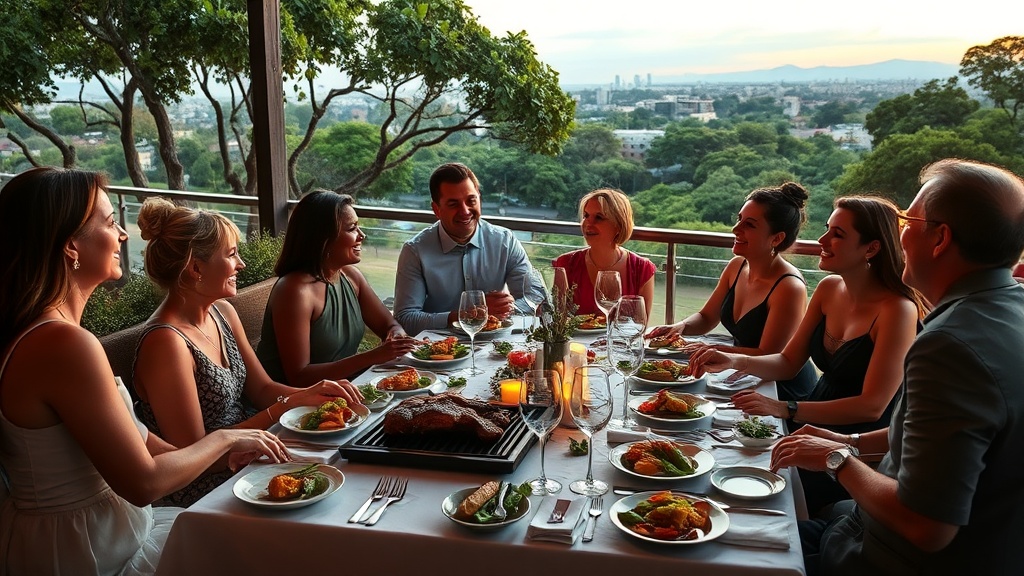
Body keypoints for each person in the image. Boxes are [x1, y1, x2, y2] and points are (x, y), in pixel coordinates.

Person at [0, 167, 290, 574]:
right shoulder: (62, 344)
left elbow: (142, 442)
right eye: (111, 222)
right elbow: (143, 483)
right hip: (87, 551)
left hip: (109, 532)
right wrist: (224, 440)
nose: (122, 235)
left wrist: (230, 453)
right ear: (71, 247)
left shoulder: (53, 336)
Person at [772, 158, 1024, 575]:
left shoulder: (951, 345)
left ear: (940, 238)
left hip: (882, 558)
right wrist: (851, 443)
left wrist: (837, 460)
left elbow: (927, 525)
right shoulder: (1007, 308)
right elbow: (943, 442)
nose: (900, 235)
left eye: (907, 221)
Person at [689, 195, 925, 513]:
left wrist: (786, 408)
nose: (822, 239)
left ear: (871, 248)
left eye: (837, 234)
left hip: (859, 442)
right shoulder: (829, 289)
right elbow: (788, 362)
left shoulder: (897, 309)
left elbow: (872, 406)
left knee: (768, 497)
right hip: (814, 417)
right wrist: (734, 360)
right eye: (827, 229)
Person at [133, 197, 358, 507]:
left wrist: (309, 395)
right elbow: (193, 452)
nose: (241, 264)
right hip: (207, 488)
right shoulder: (165, 343)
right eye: (232, 254)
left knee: (348, 468)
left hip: (251, 455)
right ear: (196, 267)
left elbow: (263, 389)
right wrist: (282, 409)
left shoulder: (222, 311)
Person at [647, 182, 817, 400]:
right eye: (739, 219)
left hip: (780, 389)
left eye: (750, 225)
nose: (736, 229)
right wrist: (680, 327)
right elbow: (707, 317)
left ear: (777, 238)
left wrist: (717, 349)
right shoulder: (737, 266)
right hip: (742, 374)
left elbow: (770, 355)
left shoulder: (789, 287)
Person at [256, 190, 420, 386]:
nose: (362, 235)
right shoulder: (295, 291)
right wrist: (373, 356)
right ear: (323, 237)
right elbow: (298, 377)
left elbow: (390, 325)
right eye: (352, 229)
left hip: (342, 390)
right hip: (294, 405)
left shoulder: (351, 276)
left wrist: (396, 338)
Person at [393, 162, 533, 335]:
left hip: (494, 345)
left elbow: (533, 297)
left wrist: (506, 309)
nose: (465, 211)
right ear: (436, 209)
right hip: (437, 349)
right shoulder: (415, 251)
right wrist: (468, 314)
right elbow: (406, 319)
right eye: (453, 204)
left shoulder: (505, 241)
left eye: (471, 200)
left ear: (479, 199)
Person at [553, 188, 657, 318]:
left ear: (618, 225)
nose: (588, 223)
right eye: (586, 216)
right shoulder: (566, 264)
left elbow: (640, 326)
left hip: (622, 339)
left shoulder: (641, 269)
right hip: (575, 339)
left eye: (599, 217)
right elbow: (558, 322)